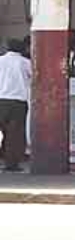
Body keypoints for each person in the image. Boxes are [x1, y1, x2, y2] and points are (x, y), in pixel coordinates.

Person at [0, 39, 32, 172]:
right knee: (14, 135)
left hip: (0, 100)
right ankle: (11, 164)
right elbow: (35, 77)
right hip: (18, 102)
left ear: (7, 48)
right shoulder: (25, 62)